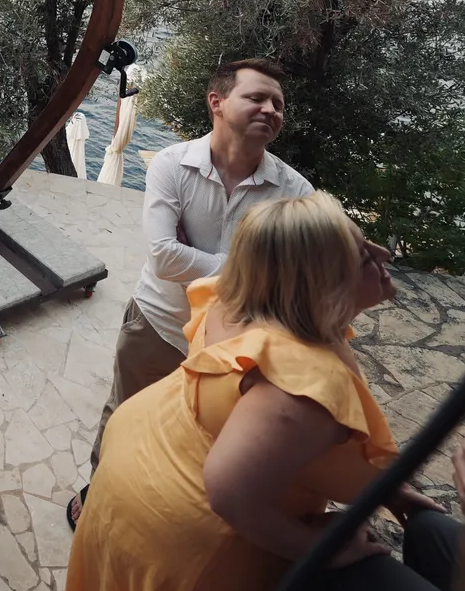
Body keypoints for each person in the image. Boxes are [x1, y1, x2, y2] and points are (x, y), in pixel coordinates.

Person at [62, 191, 459, 591]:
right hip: (187, 541)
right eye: (362, 255)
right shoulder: (303, 386)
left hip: (132, 477)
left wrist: (387, 491)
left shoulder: (237, 307)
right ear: (321, 285)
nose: (384, 254)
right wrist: (318, 548)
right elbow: (230, 493)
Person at [68, 57, 315, 527]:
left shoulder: (294, 191)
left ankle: (156, 504)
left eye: (278, 104)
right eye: (257, 97)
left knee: (198, 435)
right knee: (124, 412)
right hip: (158, 324)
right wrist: (249, 269)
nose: (271, 110)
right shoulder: (172, 165)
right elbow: (163, 256)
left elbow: (295, 276)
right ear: (216, 103)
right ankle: (99, 489)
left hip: (232, 346)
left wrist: (199, 260)